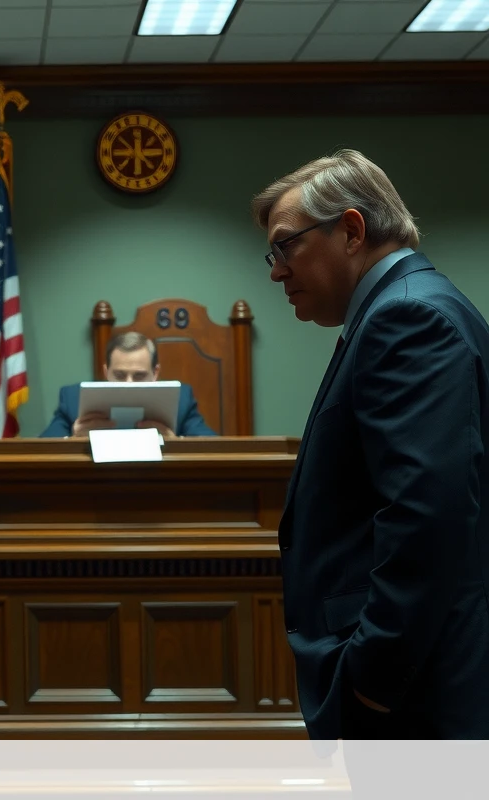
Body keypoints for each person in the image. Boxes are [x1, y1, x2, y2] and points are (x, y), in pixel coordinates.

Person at [253, 149, 489, 740]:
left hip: (416, 693)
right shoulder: (405, 307)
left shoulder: (408, 318)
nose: (276, 271)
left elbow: (426, 515)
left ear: (351, 230)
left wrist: (372, 679)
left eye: (285, 247)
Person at [39, 331, 216, 438]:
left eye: (139, 376)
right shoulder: (72, 398)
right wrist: (73, 439)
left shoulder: (181, 398)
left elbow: (213, 447)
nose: (129, 384)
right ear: (106, 371)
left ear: (155, 373)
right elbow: (41, 450)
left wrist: (175, 442)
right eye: (119, 375)